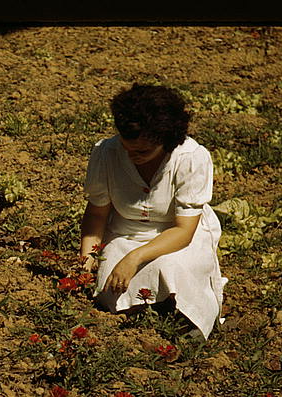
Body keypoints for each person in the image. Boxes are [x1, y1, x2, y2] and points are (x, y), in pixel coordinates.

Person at [79, 83, 227, 339]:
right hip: (126, 233)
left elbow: (183, 230)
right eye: (127, 148)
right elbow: (96, 215)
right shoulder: (106, 153)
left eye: (143, 151)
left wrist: (134, 258)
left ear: (165, 141)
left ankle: (183, 320)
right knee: (113, 279)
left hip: (177, 238)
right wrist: (86, 262)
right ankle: (140, 320)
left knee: (170, 266)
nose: (132, 155)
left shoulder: (190, 158)